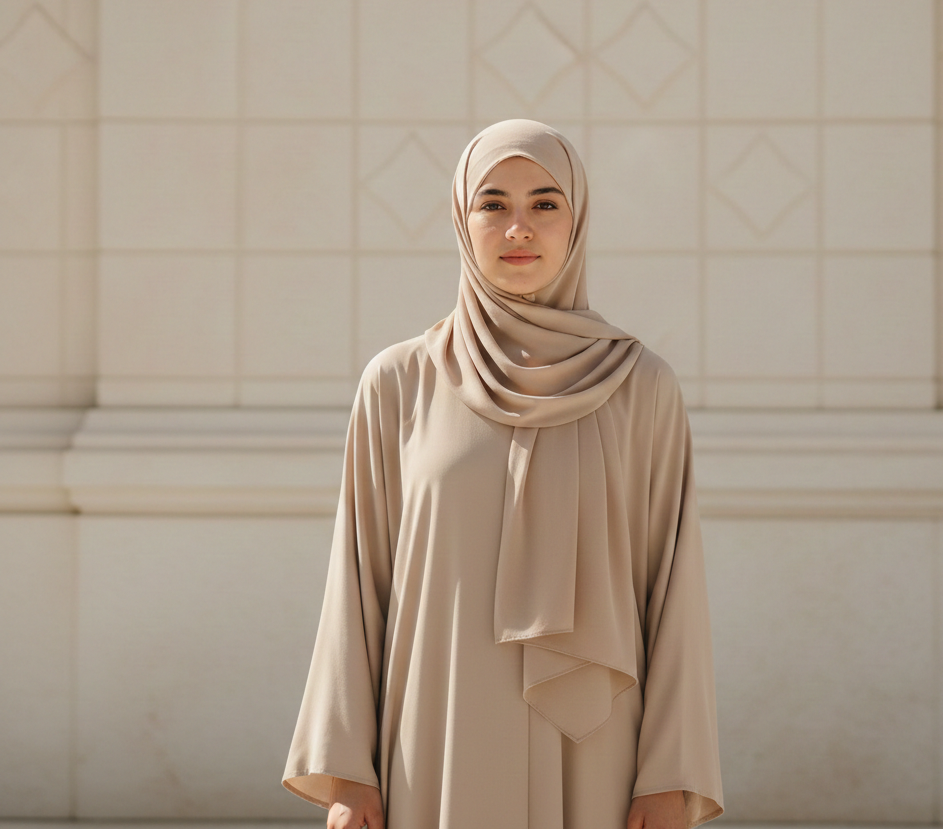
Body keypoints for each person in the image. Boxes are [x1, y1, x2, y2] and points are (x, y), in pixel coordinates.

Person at [281, 119, 724, 829]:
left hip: (596, 756)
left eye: (545, 203)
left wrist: (670, 775)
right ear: (463, 219)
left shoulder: (641, 387)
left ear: (577, 220)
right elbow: (358, 584)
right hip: (435, 742)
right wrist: (347, 772)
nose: (519, 227)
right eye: (493, 203)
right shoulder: (399, 382)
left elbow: (673, 591)